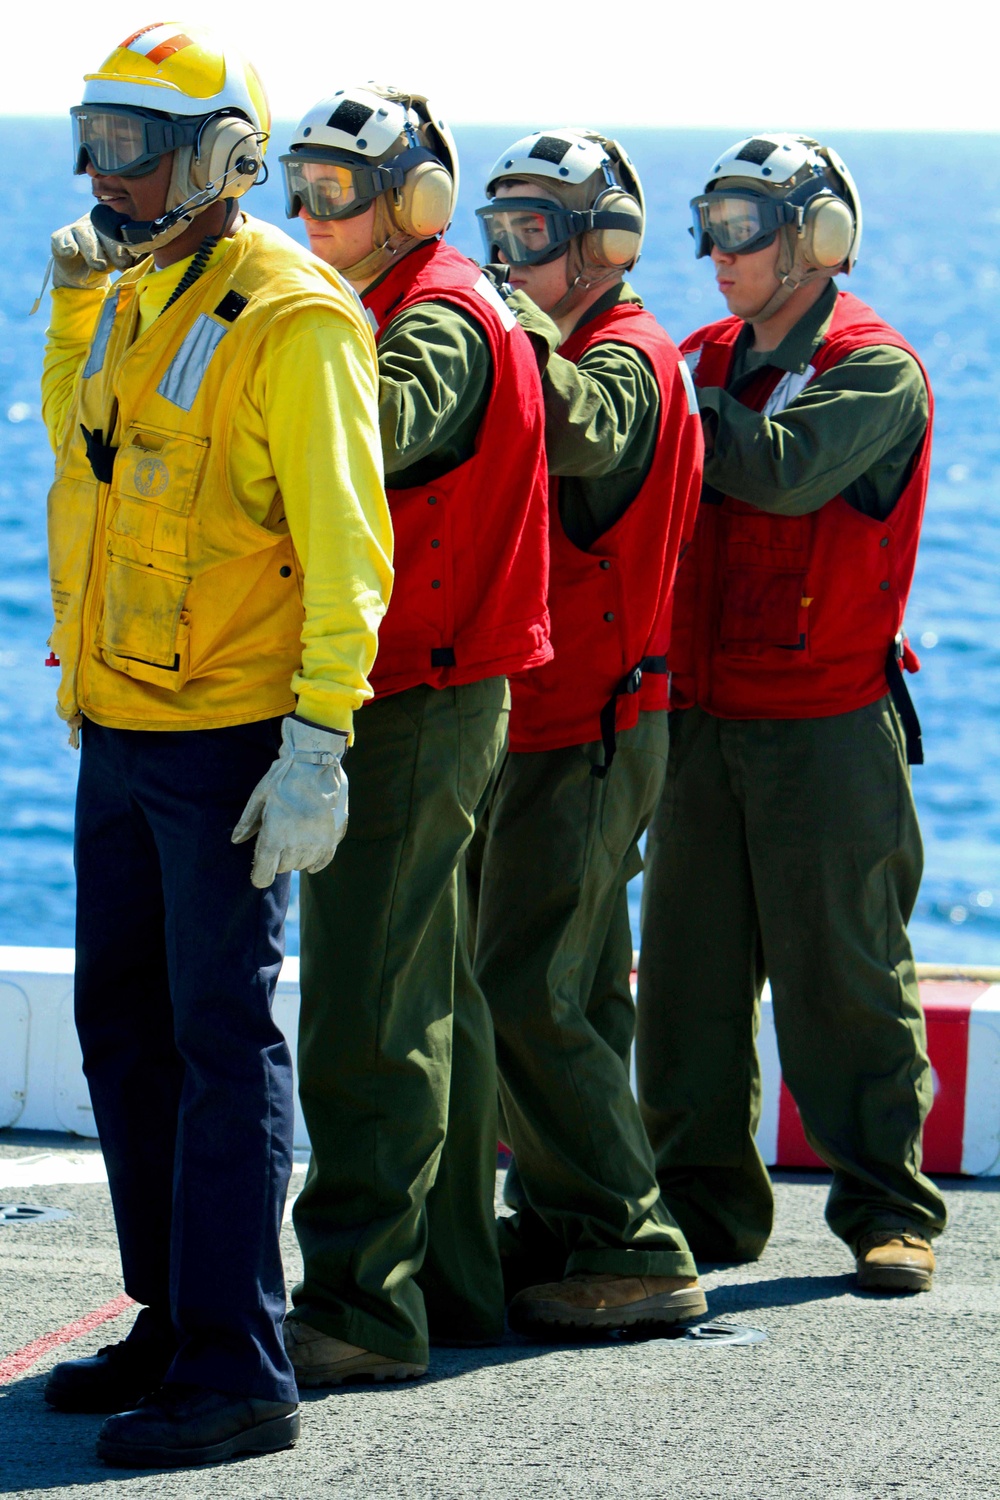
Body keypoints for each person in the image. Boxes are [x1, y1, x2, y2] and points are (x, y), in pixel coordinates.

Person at [38, 25, 392, 1466]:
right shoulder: (135, 294)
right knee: (122, 1031)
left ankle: (240, 1366)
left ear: (224, 162)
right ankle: (174, 1313)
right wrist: (71, 314)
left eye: (139, 148)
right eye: (98, 140)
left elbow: (346, 542)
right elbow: (84, 455)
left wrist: (319, 740)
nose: (107, 176)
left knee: (220, 1042)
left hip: (231, 743)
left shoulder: (292, 320)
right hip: (119, 727)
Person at [636, 133, 946, 1293]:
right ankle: (704, 1211)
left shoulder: (876, 370)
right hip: (702, 722)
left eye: (742, 227)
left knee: (846, 981)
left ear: (814, 240)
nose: (716, 253)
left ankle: (887, 1211)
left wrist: (665, 398)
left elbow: (776, 470)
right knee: (684, 991)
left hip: (824, 726)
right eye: (709, 224)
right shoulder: (703, 357)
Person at [277, 86, 551, 1382]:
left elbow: (360, 442)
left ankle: (359, 1307)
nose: (310, 215)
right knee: (428, 993)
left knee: (364, 1007)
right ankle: (450, 1282)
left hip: (417, 696)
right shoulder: (417, 301)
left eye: (338, 191)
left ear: (415, 201)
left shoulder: (432, 318)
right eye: (304, 186)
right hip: (439, 687)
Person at [471, 129, 706, 1336]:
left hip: (595, 723)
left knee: (524, 983)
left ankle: (634, 1243)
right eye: (498, 232)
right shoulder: (573, 337)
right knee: (575, 988)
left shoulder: (629, 353)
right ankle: (574, 1216)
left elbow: (584, 432)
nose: (510, 258)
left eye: (535, 236)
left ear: (606, 245)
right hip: (557, 715)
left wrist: (504, 330)